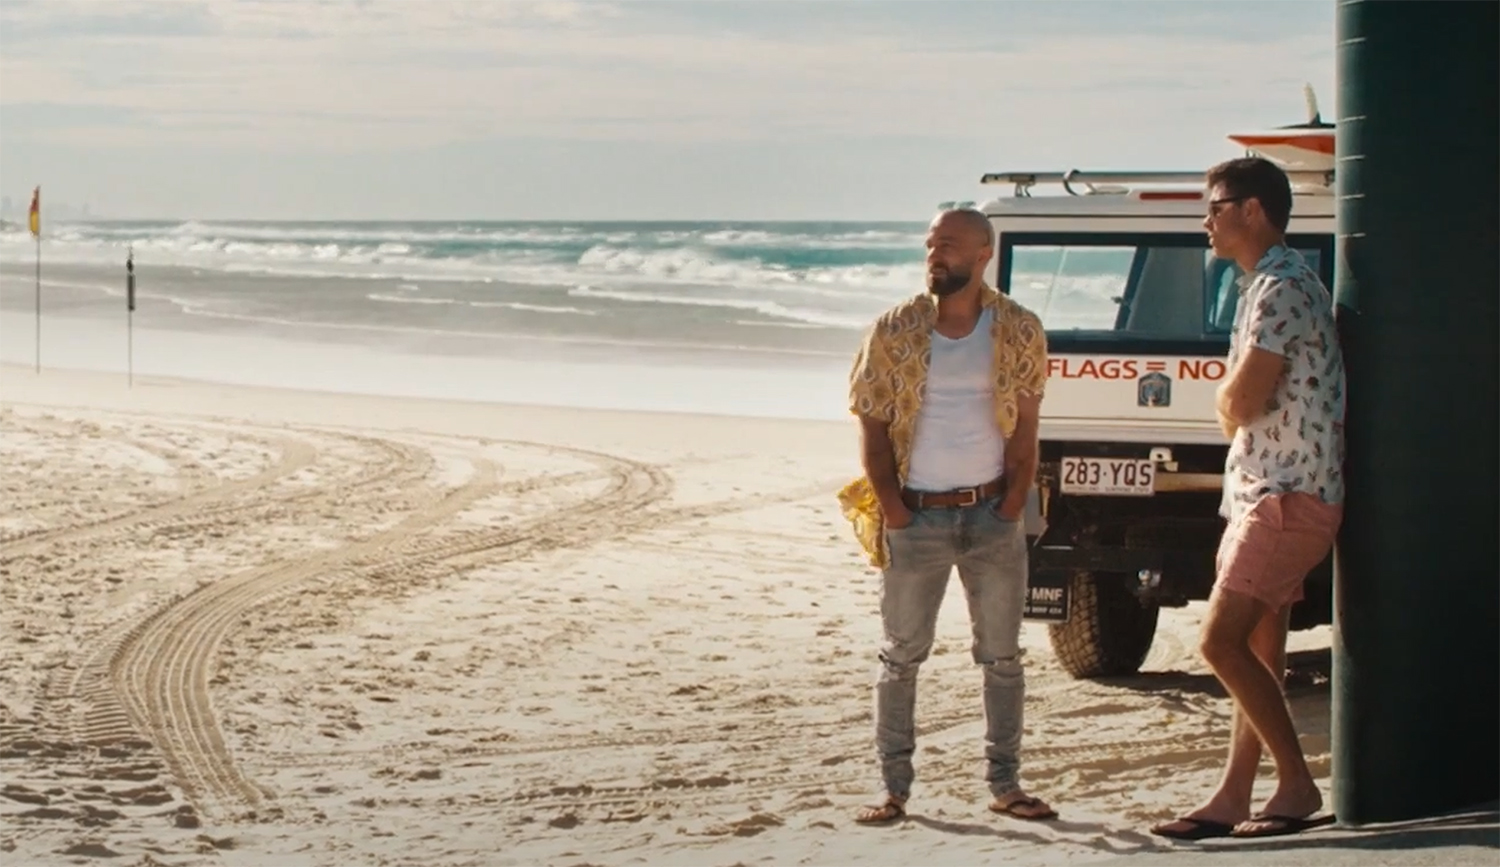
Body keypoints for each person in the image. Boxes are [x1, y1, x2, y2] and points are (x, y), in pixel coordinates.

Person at [836, 207, 1054, 825]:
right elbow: (872, 427)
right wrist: (896, 510)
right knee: (901, 655)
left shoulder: (1018, 328)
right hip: (918, 516)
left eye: (950, 245)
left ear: (984, 253)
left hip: (992, 514)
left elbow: (1028, 426)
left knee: (1002, 657)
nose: (936, 254)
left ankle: (1006, 785)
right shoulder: (894, 329)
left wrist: (1012, 502)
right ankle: (893, 789)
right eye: (932, 244)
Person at [1151, 157, 1345, 841]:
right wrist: (1230, 400)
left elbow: (1241, 400)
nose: (1206, 220)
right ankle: (1236, 794)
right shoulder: (1261, 284)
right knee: (1258, 654)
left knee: (1219, 642)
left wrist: (1225, 398)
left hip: (1285, 497)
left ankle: (1295, 783)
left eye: (1215, 206)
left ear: (1253, 209)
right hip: (1266, 492)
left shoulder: (1282, 288)